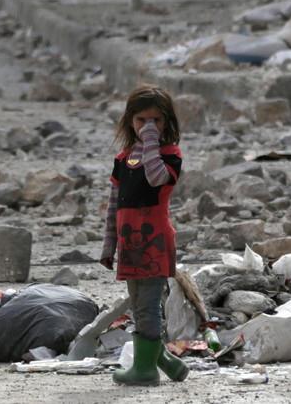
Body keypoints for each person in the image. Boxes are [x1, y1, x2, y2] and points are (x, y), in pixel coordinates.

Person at [100, 84, 188, 386]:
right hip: (128, 243)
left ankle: (146, 370)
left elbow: (155, 177)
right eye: (141, 121)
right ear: (129, 121)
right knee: (138, 305)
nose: (148, 127)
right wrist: (108, 245)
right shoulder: (123, 159)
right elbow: (114, 205)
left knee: (149, 305)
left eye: (156, 121)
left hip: (154, 243)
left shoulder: (169, 156)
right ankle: (163, 362)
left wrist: (150, 140)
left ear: (167, 123)